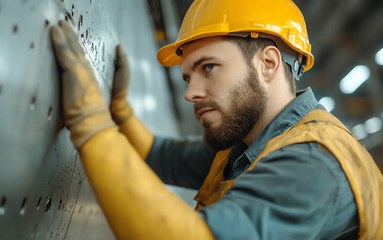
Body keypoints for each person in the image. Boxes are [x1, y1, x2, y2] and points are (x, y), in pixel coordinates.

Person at [50, 0, 383, 239]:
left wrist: (91, 124)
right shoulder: (248, 141)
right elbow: (159, 156)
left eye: (208, 67)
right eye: (187, 77)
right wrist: (120, 113)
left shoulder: (313, 163)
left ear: (268, 64)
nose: (191, 93)